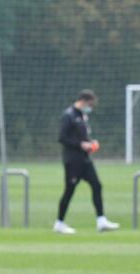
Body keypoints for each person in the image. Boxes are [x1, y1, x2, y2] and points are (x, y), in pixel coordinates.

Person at [54, 89, 119, 234]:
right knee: (69, 191)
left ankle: (101, 221)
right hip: (72, 161)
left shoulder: (82, 116)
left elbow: (81, 136)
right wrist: (80, 145)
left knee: (97, 185)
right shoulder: (68, 115)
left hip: (85, 160)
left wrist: (90, 143)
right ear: (83, 101)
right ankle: (59, 223)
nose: (91, 107)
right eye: (90, 104)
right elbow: (62, 138)